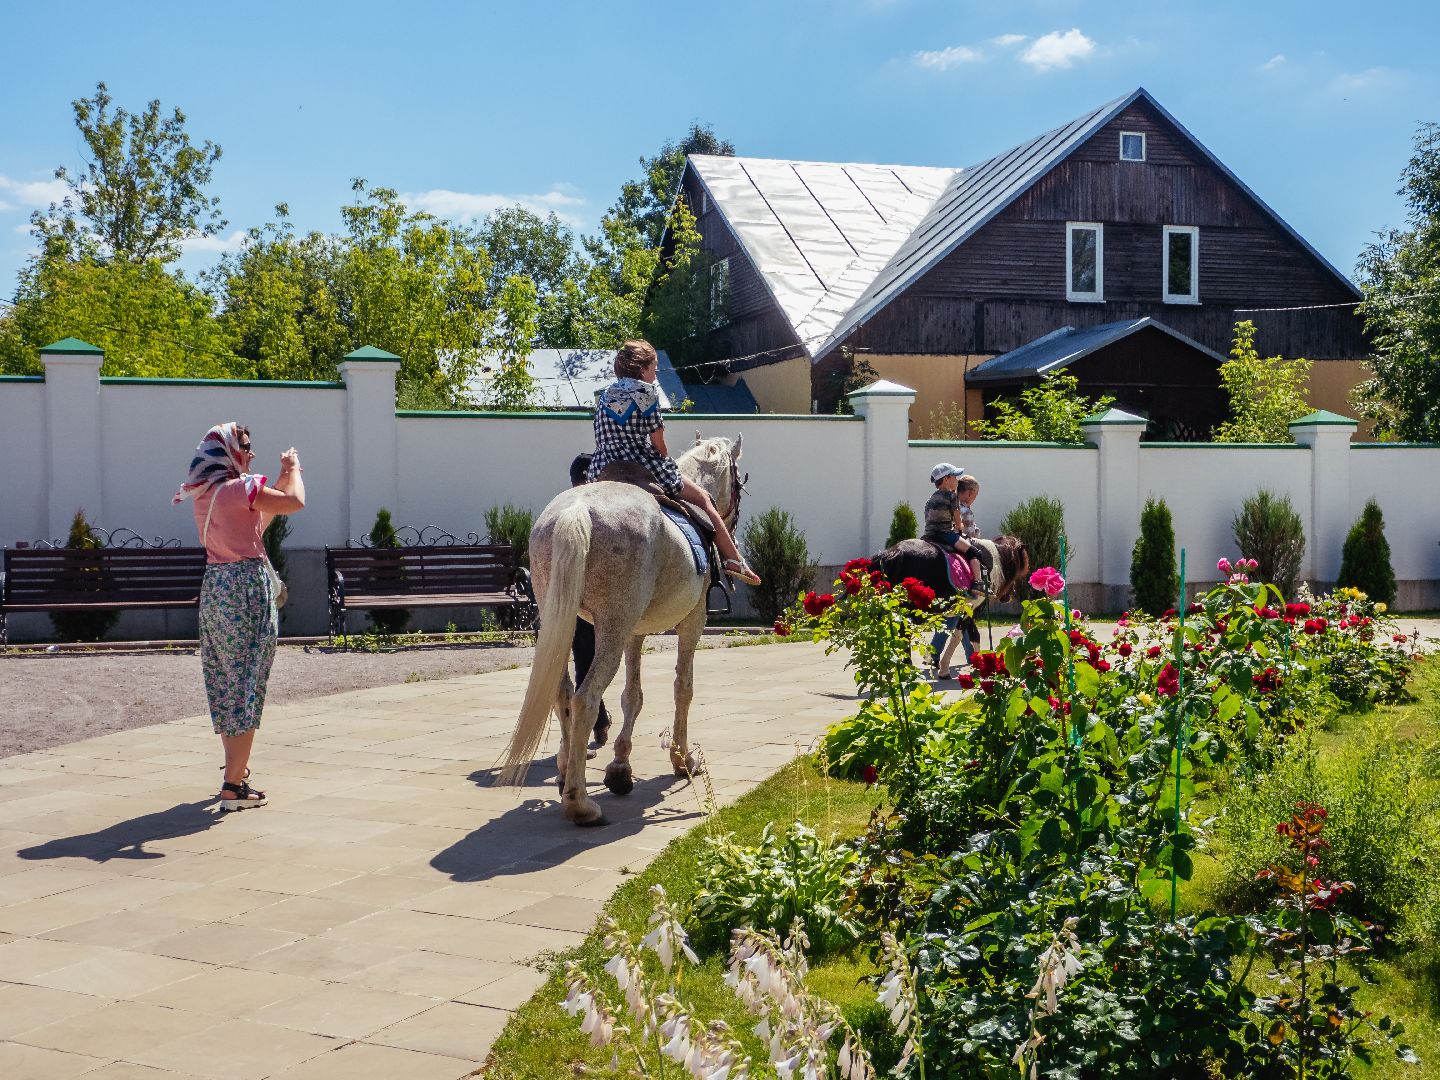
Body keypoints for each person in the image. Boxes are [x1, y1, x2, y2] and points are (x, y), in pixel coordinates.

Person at [173, 422, 305, 810]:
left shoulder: (205, 494)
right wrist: (294, 471)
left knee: (226, 683)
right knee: (248, 681)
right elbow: (294, 502)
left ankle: (235, 773)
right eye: (245, 447)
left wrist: (279, 478)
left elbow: (257, 523)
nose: (250, 453)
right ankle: (233, 784)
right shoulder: (239, 488)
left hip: (216, 588)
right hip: (246, 588)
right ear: (228, 451)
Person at [587, 340, 760, 586]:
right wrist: (664, 457)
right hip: (640, 466)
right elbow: (659, 445)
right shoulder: (646, 393)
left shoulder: (605, 394)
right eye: (654, 368)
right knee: (704, 499)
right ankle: (733, 559)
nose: (656, 374)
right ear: (642, 369)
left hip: (602, 468)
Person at [569, 452, 611, 745]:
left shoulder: (563, 510)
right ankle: (591, 723)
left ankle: (597, 720)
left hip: (569, 597)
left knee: (583, 657)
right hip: (598, 597)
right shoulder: (602, 515)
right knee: (593, 658)